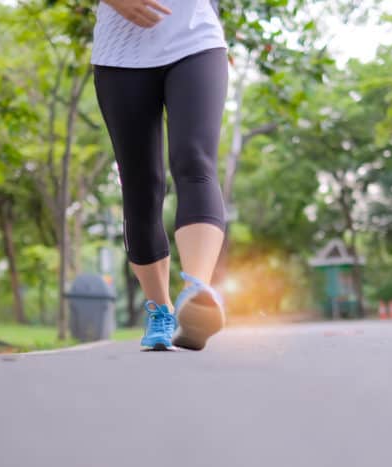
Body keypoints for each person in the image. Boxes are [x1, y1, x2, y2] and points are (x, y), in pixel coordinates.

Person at [91, 0, 227, 350]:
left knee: (194, 161)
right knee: (141, 186)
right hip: (119, 55)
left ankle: (196, 293)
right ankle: (160, 309)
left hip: (196, 40)